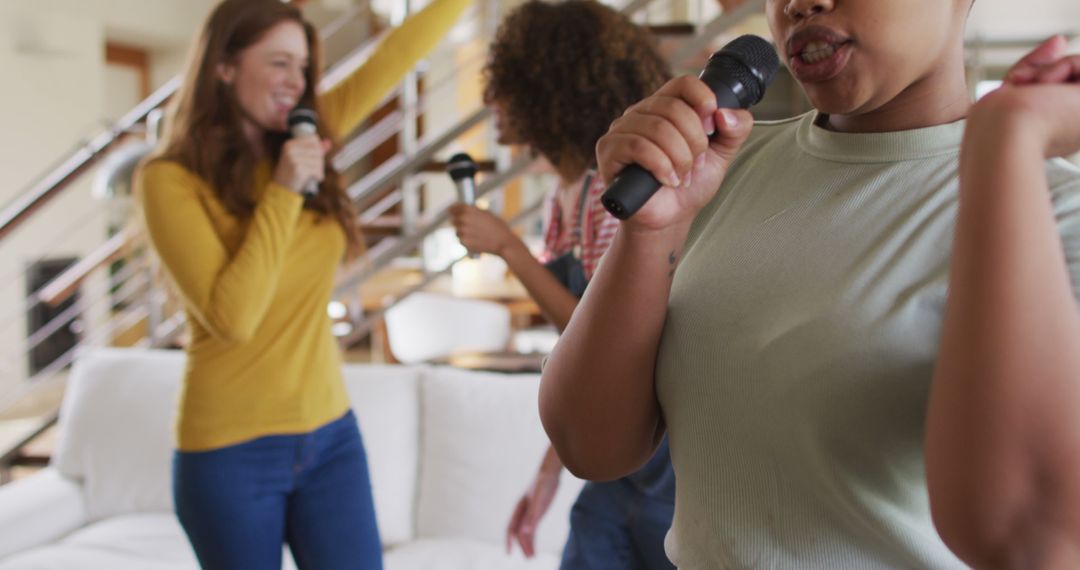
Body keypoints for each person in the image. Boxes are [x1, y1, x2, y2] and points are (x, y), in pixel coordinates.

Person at [539, 0, 1080, 567]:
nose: (800, 3)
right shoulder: (719, 169)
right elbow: (589, 447)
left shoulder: (1051, 207)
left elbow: (1028, 543)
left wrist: (1005, 139)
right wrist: (651, 230)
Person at [135, 0, 469, 568]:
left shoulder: (309, 133)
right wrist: (285, 190)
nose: (298, 83)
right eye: (280, 63)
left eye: (304, 67)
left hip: (330, 435)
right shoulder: (169, 180)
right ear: (224, 66)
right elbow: (234, 317)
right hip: (228, 452)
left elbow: (399, 51)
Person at [447, 2, 675, 568]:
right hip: (617, 468)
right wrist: (550, 472)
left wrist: (509, 249)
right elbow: (585, 361)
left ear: (550, 87)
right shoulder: (563, 199)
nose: (489, 102)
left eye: (505, 86)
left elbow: (605, 340)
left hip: (668, 476)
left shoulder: (621, 193)